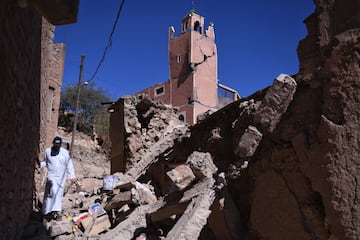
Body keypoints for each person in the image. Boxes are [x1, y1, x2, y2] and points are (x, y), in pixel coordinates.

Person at [40, 136, 77, 221]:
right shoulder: (48, 151)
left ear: (60, 145)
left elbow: (69, 165)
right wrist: (39, 165)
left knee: (58, 194)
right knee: (51, 192)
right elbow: (45, 162)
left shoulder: (64, 153)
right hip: (51, 176)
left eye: (58, 145)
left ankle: (56, 212)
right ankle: (47, 212)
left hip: (61, 178)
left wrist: (72, 176)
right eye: (55, 145)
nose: (56, 147)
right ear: (53, 144)